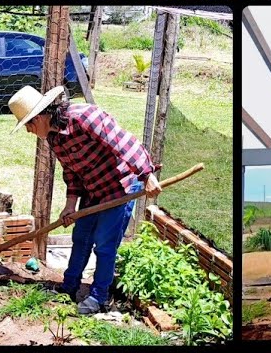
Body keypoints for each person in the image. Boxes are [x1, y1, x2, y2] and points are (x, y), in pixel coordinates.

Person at [9, 85, 161, 315]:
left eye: (28, 125)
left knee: (104, 243)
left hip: (121, 186)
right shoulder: (54, 138)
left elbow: (125, 143)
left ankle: (99, 297)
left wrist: (147, 175)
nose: (28, 131)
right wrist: (70, 205)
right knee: (80, 237)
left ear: (39, 117)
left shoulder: (86, 117)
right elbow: (71, 172)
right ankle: (69, 286)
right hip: (93, 190)